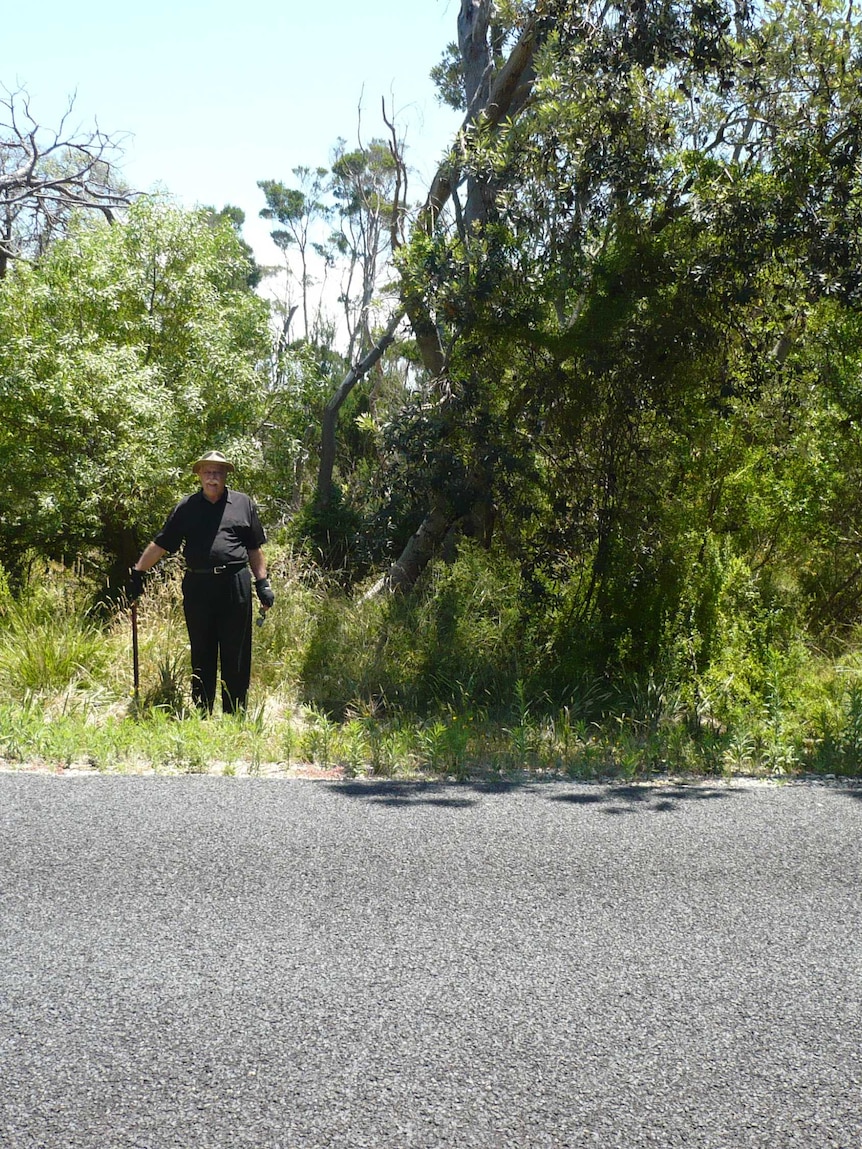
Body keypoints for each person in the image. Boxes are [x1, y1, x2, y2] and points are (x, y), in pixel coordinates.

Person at [129, 451, 275, 715]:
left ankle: (235, 712)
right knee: (202, 648)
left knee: (236, 651)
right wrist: (138, 573)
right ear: (199, 475)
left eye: (218, 472)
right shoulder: (186, 507)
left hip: (235, 583)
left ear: (226, 475)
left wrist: (262, 582)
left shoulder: (243, 504)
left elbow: (254, 548)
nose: (213, 477)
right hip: (199, 585)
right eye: (207, 472)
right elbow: (162, 543)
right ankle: (202, 712)